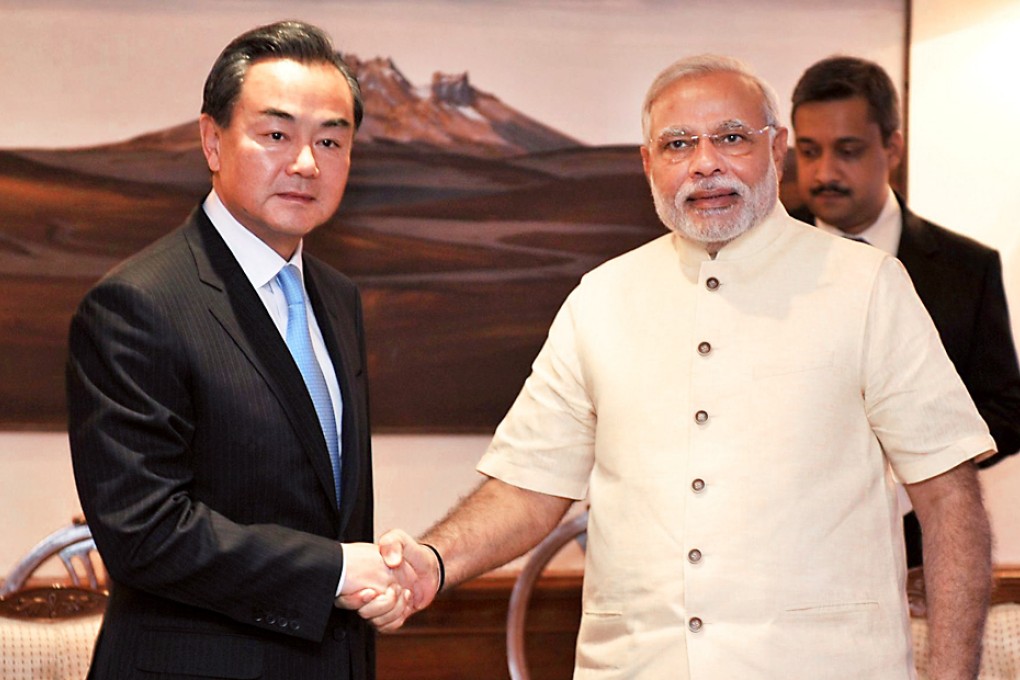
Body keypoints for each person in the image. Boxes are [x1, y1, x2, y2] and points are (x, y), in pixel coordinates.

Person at [361, 55, 994, 679]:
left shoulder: (868, 286)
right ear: (648, 164)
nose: (705, 162)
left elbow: (948, 498)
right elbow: (527, 487)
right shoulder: (600, 300)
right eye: (678, 143)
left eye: (732, 138)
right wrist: (433, 561)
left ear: (777, 153)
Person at [67, 21, 409, 679]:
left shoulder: (337, 298)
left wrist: (371, 574)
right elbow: (144, 533)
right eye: (276, 135)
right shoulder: (138, 303)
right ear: (212, 141)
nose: (306, 163)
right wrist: (338, 571)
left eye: (331, 140)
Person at [791, 55, 1020, 567]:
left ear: (892, 146)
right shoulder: (758, 262)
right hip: (787, 558)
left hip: (919, 557)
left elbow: (1006, 410)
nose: (825, 172)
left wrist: (908, 472)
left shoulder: (968, 267)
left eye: (847, 151)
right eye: (809, 151)